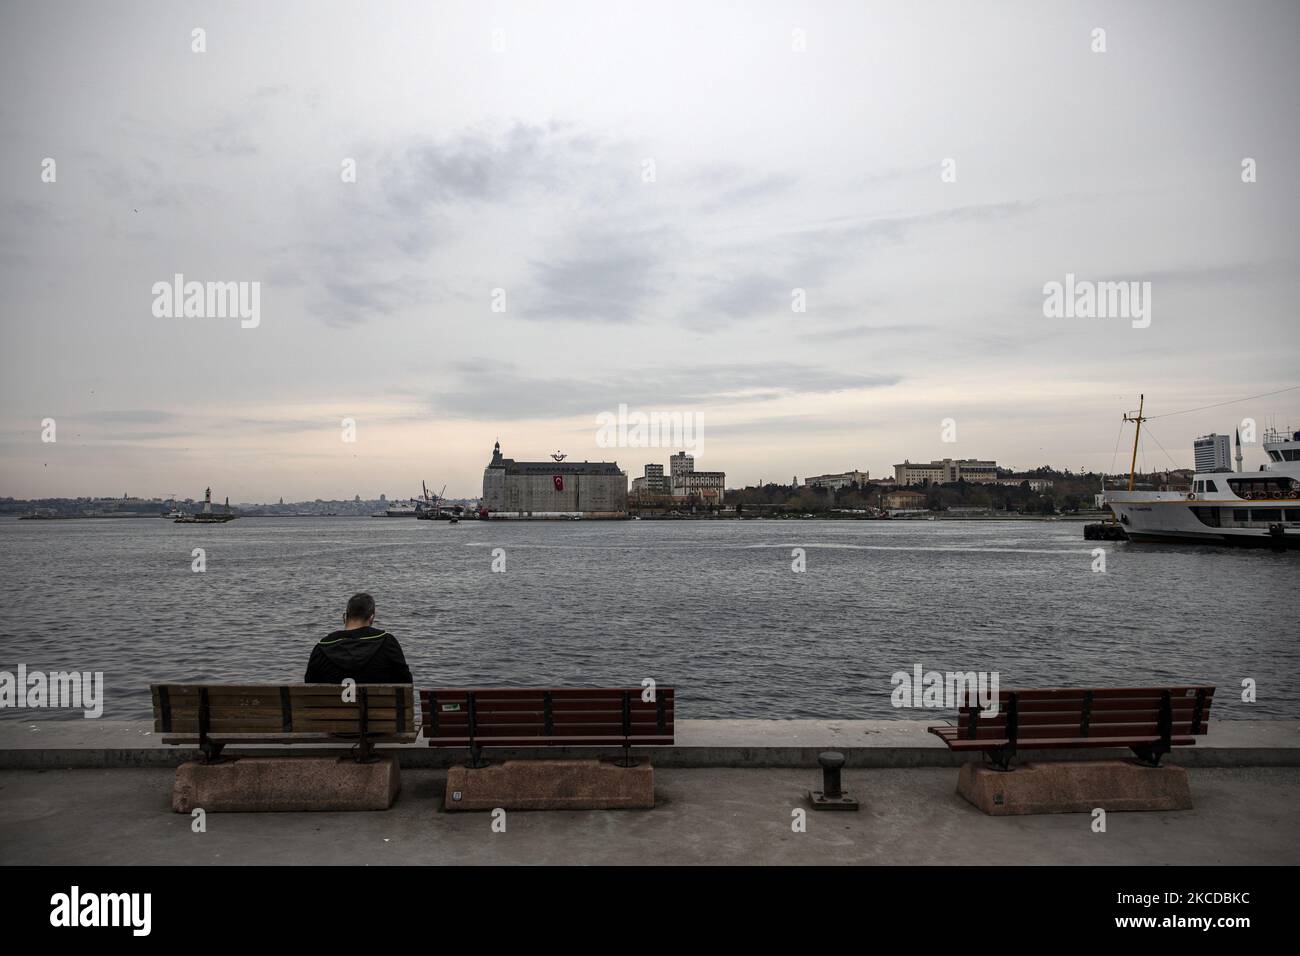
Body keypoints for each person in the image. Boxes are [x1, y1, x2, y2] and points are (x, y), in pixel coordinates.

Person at [304, 592, 413, 684]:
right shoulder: (387, 643)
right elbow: (406, 682)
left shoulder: (322, 647)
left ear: (344, 617)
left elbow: (309, 683)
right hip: (377, 709)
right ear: (371, 618)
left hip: (331, 709)